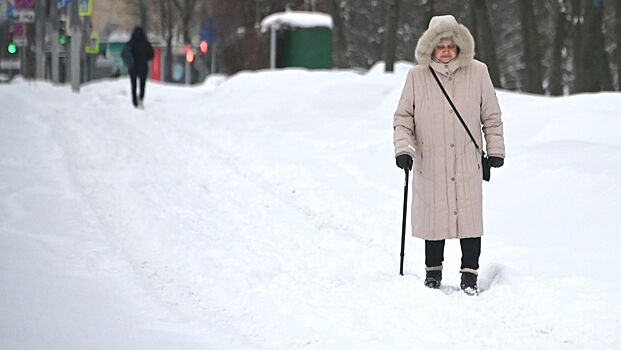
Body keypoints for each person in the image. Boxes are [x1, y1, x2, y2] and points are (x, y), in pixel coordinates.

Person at [392, 15, 505, 295]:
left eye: (450, 45)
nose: (445, 50)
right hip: (431, 160)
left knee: (469, 217)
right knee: (435, 216)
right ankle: (433, 272)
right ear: (430, 48)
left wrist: (496, 150)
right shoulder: (416, 76)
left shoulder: (478, 72)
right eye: (440, 45)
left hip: (466, 160)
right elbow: (403, 118)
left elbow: (491, 116)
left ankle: (470, 274)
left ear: (459, 47)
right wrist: (404, 149)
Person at [122, 27, 154, 108]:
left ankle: (134, 101)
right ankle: (141, 97)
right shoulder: (146, 43)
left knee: (133, 85)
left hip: (133, 67)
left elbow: (124, 53)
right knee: (142, 84)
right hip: (143, 67)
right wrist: (145, 58)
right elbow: (151, 55)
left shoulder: (131, 43)